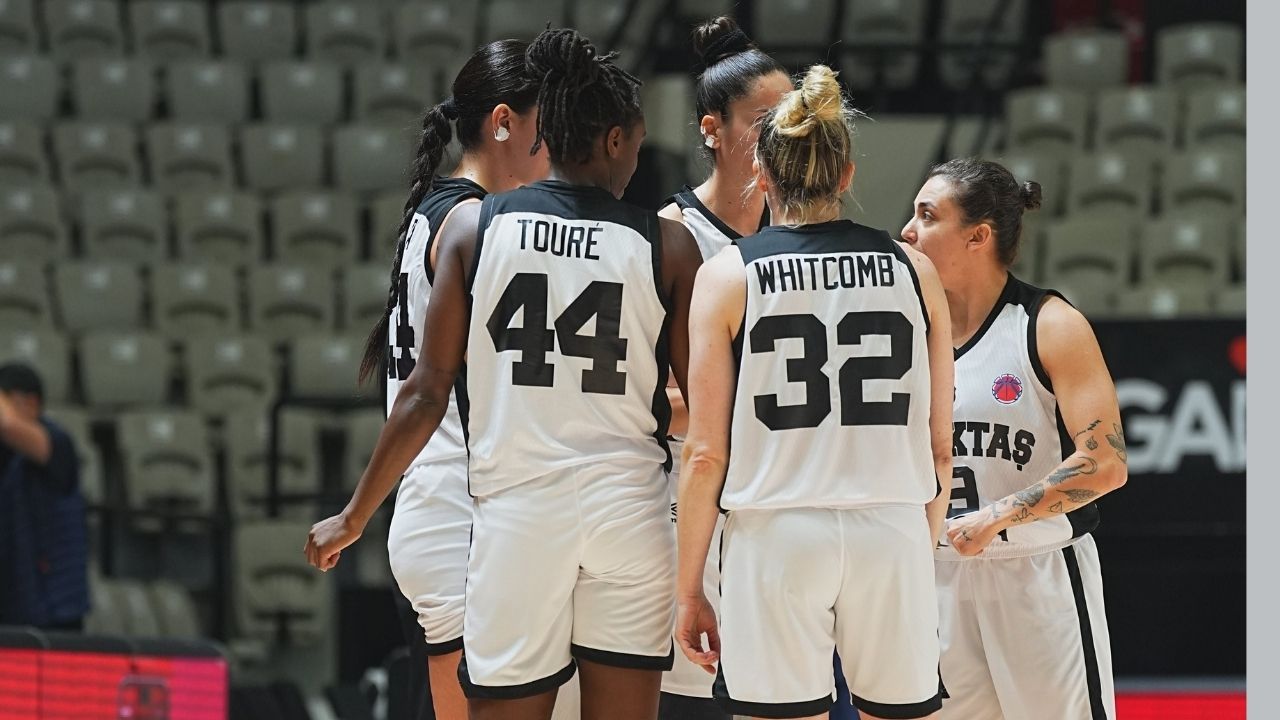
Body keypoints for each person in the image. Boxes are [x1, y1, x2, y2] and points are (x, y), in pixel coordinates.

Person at [306, 27, 702, 720]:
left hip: (492, 509)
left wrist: (355, 513)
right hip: (538, 506)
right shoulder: (658, 242)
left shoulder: (460, 222)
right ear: (612, 140)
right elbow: (706, 414)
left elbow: (426, 392)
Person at [675, 64, 954, 720]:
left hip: (774, 535)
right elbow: (940, 447)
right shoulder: (914, 269)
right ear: (847, 173)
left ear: (762, 176)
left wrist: (691, 587)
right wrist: (920, 545)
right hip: (892, 526)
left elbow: (706, 454)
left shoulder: (726, 276)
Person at [311, 39, 548, 720]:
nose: (555, 151)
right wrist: (353, 516)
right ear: (504, 122)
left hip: (433, 514)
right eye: (546, 131)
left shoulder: (434, 214)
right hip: (460, 518)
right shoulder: (474, 222)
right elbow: (425, 392)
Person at [900, 158, 1126, 720]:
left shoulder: (1048, 324)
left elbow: (1106, 464)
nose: (907, 231)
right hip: (938, 573)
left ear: (978, 235)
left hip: (1037, 569)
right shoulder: (902, 331)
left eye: (927, 216)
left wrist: (998, 516)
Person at [655, 16, 790, 720]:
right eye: (763, 119)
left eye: (790, 118)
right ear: (712, 128)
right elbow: (656, 397)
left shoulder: (805, 232)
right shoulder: (673, 235)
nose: (781, 133)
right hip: (694, 501)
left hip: (778, 505)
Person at [0, 362, 88, 631]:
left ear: (32, 403)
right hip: (14, 602)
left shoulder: (57, 442)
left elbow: (8, 425)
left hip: (55, 607)